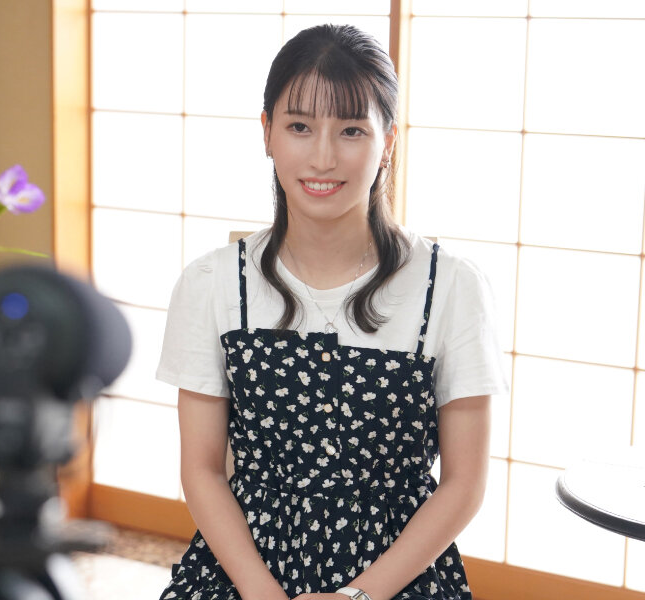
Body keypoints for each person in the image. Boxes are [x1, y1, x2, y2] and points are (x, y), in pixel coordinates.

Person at [155, 23, 507, 600]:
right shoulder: (211, 284)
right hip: (244, 568)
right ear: (266, 132)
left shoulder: (452, 286)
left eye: (351, 130)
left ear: (388, 141)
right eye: (299, 127)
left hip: (398, 574)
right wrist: (260, 591)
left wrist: (357, 597)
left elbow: (464, 485)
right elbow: (202, 471)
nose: (322, 158)